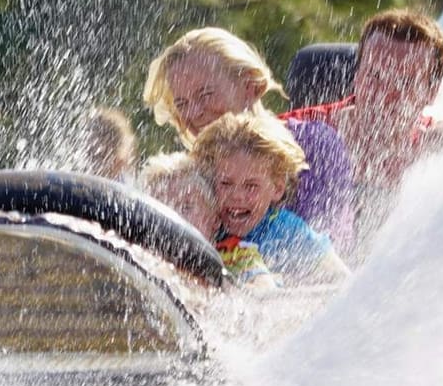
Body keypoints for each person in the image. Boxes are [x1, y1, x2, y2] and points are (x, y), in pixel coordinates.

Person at [143, 27, 355, 254]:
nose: (193, 114)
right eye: (182, 104)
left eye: (205, 95)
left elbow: (333, 247)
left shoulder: (313, 143)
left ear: (250, 86)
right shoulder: (190, 175)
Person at [283, 9, 443, 243]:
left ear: (431, 92)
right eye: (375, 76)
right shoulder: (299, 136)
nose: (385, 94)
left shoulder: (439, 149)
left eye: (405, 82)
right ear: (357, 75)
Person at [191, 112, 350, 285]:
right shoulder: (208, 226)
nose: (236, 196)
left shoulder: (287, 230)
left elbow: (341, 278)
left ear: (277, 189)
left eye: (251, 186)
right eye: (225, 183)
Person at [138, 152, 218, 241]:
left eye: (186, 207)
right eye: (162, 209)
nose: (174, 217)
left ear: (215, 219)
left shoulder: (233, 253)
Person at [80, 106, 137, 182]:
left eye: (100, 156)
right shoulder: (76, 180)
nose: (92, 164)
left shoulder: (125, 190)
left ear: (120, 161)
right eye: (89, 153)